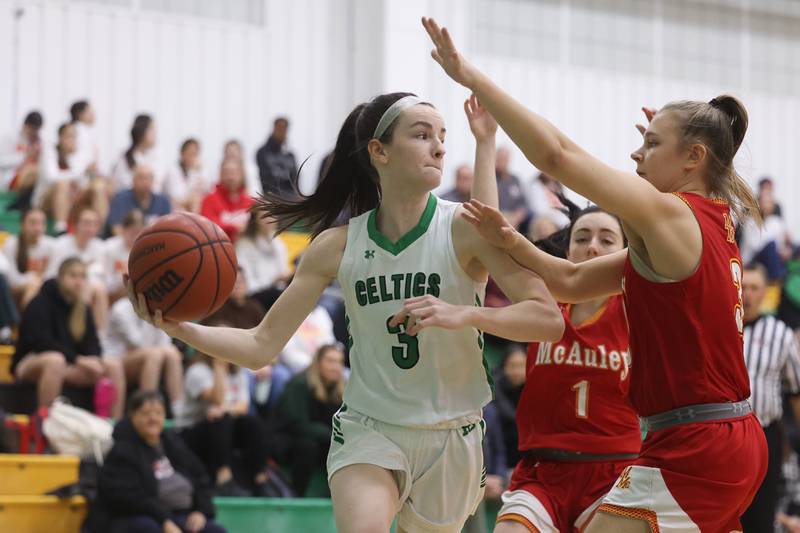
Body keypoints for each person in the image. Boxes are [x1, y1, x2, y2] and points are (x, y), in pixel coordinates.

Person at [126, 91, 564, 532]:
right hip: (370, 427)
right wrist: (179, 329)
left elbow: (548, 319)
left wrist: (466, 315)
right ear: (379, 151)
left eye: (443, 136)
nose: (439, 146)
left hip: (452, 433)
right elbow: (260, 346)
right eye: (422, 134)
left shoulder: (463, 230)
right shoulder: (336, 246)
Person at [422, 17, 766, 531]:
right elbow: (570, 282)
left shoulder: (674, 215)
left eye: (650, 143)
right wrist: (512, 240)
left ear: (694, 158)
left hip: (697, 444)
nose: (635, 153)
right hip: (712, 438)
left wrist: (473, 77)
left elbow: (556, 156)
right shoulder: (705, 224)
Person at [494, 206, 640, 533]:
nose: (592, 246)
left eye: (607, 239)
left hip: (614, 474)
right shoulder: (542, 299)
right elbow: (491, 245)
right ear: (567, 250)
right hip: (542, 470)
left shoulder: (638, 309)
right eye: (582, 237)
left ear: (624, 253)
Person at [92, 390, 226, 533]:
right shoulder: (123, 450)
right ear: (133, 416)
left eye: (158, 413)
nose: (153, 418)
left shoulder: (172, 442)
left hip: (181, 514)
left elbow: (200, 477)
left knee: (215, 530)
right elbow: (129, 498)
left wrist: (201, 511)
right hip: (138, 517)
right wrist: (164, 521)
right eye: (146, 413)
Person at [12, 257, 124, 417]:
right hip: (30, 363)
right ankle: (46, 425)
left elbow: (92, 343)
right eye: (73, 276)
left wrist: (94, 360)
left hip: (69, 365)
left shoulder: (83, 308)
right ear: (60, 277)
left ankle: (115, 426)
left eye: (83, 277)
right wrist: (78, 360)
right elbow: (41, 343)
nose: (78, 282)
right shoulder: (40, 302)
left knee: (113, 365)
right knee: (55, 361)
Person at [175, 329, 273, 497]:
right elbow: (218, 399)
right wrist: (219, 364)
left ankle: (260, 478)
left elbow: (242, 407)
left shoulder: (237, 371)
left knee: (252, 423)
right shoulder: (197, 371)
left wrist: (225, 409)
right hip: (190, 433)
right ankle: (223, 478)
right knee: (222, 419)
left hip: (222, 428)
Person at [739, 263, 800, 531]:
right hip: (723, 435)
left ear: (765, 293)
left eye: (754, 288)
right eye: (742, 286)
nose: (747, 293)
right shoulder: (719, 326)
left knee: (760, 514)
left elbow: (795, 390)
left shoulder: (781, 334)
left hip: (765, 435)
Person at [277, 343, 347, 496]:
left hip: (323, 441)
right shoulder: (300, 384)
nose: (336, 367)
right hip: (289, 440)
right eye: (330, 361)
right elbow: (296, 424)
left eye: (340, 362)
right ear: (318, 362)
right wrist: (332, 435)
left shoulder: (341, 390)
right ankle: (297, 495)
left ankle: (335, 498)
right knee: (308, 447)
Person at [104, 297, 184, 412]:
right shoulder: (121, 309)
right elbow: (137, 343)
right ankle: (146, 407)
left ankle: (179, 410)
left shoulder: (159, 310)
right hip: (116, 360)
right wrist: (152, 320)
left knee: (173, 354)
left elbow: (165, 343)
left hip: (145, 356)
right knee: (154, 355)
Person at [47, 207, 110, 330]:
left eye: (94, 224)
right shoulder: (60, 244)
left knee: (98, 289)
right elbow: (51, 275)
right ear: (75, 225)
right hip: (62, 290)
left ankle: (99, 337)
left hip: (91, 291)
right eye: (86, 223)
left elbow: (105, 279)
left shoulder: (101, 247)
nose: (90, 228)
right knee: (86, 288)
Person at [234, 212, 291, 309]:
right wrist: (272, 281)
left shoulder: (278, 243)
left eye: (272, 215)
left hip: (276, 291)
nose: (269, 219)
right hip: (254, 294)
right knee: (278, 296)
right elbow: (246, 280)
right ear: (255, 219)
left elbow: (283, 271)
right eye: (264, 216)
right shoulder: (244, 244)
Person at [2, 207, 54, 309]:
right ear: (22, 225)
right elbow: (11, 280)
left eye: (41, 223)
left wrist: (38, 282)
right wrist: (33, 279)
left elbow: (53, 275)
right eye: (33, 223)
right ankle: (27, 322)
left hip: (43, 289)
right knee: (33, 286)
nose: (38, 228)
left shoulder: (52, 245)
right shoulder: (11, 244)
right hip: (15, 292)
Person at [106, 164, 171, 235]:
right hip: (127, 243)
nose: (145, 182)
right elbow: (116, 227)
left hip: (154, 243)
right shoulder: (120, 199)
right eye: (141, 178)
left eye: (149, 178)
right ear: (133, 180)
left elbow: (168, 229)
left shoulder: (162, 201)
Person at [200, 158, 253, 241]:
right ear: (220, 175)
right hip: (219, 248)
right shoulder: (208, 200)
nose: (230, 177)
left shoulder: (251, 202)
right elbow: (208, 226)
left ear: (242, 175)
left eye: (234, 173)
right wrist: (236, 228)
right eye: (226, 173)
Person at [112, 114, 159, 192]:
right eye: (151, 128)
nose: (155, 132)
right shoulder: (124, 158)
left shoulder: (154, 157)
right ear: (141, 131)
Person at [163, 138, 213, 212]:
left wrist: (197, 172)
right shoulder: (172, 170)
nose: (192, 157)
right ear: (182, 153)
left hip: (195, 207)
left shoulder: (201, 169)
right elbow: (176, 195)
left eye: (195, 154)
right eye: (189, 153)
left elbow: (208, 190)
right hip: (175, 207)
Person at [1, 110, 43, 196]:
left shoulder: (39, 141)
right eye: (32, 129)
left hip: (31, 177)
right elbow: (1, 161)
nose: (33, 133)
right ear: (25, 125)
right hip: (11, 178)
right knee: (33, 172)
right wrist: (25, 156)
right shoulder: (10, 137)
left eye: (36, 130)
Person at [256, 117, 298, 198]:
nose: (282, 133)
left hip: (291, 197)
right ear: (274, 129)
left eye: (284, 129)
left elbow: (295, 179)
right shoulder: (262, 153)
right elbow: (265, 180)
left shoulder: (290, 155)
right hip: (271, 197)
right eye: (279, 128)